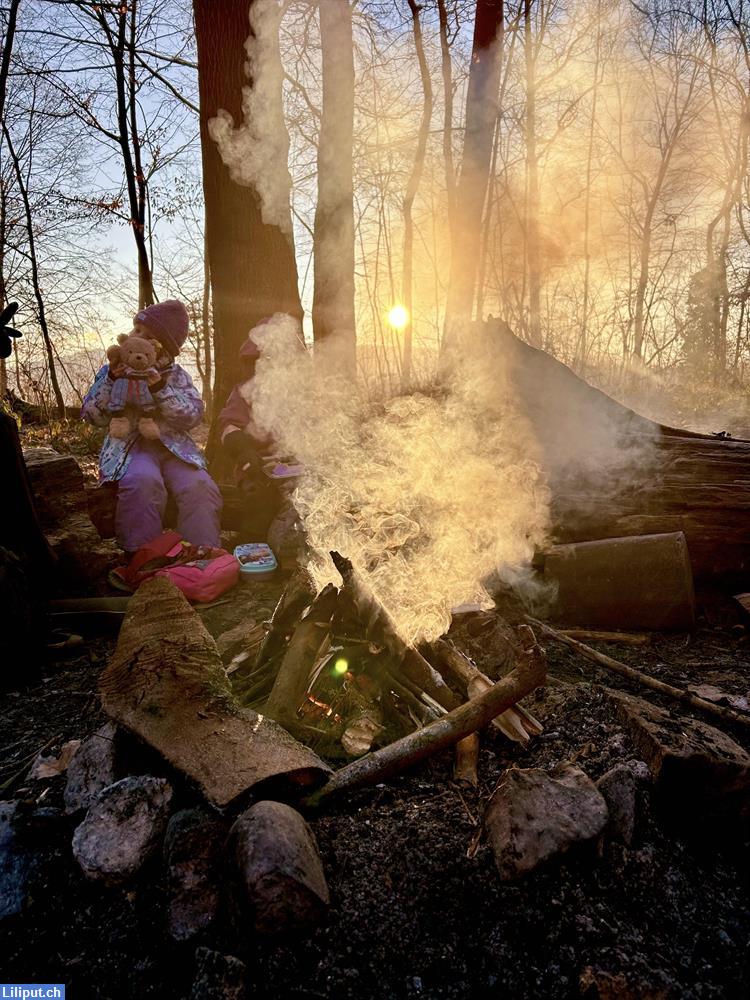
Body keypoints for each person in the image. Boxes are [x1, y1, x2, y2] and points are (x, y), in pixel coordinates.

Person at [82, 299, 222, 555]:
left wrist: (160, 389)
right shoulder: (111, 370)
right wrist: (112, 380)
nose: (139, 338)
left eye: (149, 336)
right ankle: (142, 557)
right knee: (143, 481)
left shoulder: (176, 374)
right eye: (137, 330)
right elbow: (92, 415)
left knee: (200, 486)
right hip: (128, 448)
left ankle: (202, 556)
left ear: (161, 347)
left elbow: (192, 416)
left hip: (174, 448)